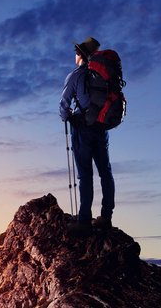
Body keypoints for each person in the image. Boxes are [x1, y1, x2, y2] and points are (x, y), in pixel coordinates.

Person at [59, 37, 115, 234]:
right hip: (101, 128)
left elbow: (64, 105)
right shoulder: (104, 76)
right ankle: (106, 218)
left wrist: (67, 117)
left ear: (80, 55)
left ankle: (84, 221)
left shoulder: (75, 76)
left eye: (76, 52)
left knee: (85, 175)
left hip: (82, 128)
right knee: (105, 172)